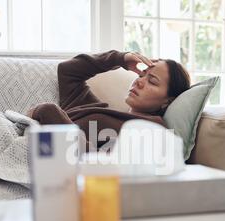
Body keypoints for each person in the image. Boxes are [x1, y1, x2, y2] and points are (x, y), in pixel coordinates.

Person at [26, 50, 191, 151]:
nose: (139, 81)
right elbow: (67, 71)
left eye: (152, 81)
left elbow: (99, 165)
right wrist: (120, 59)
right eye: (142, 74)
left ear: (167, 101)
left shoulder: (153, 130)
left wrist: (48, 113)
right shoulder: (93, 107)